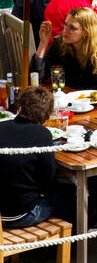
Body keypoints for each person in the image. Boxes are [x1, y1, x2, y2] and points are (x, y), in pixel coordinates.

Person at [0, 85, 72, 228]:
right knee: (66, 194)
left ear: (20, 106)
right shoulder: (42, 134)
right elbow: (47, 179)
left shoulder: (2, 127)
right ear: (45, 115)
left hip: (2, 211)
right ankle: (70, 244)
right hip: (21, 215)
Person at [32, 5, 97, 99]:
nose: (65, 30)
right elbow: (36, 79)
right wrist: (43, 43)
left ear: (85, 32)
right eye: (65, 24)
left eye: (72, 28)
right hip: (69, 104)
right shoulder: (60, 44)